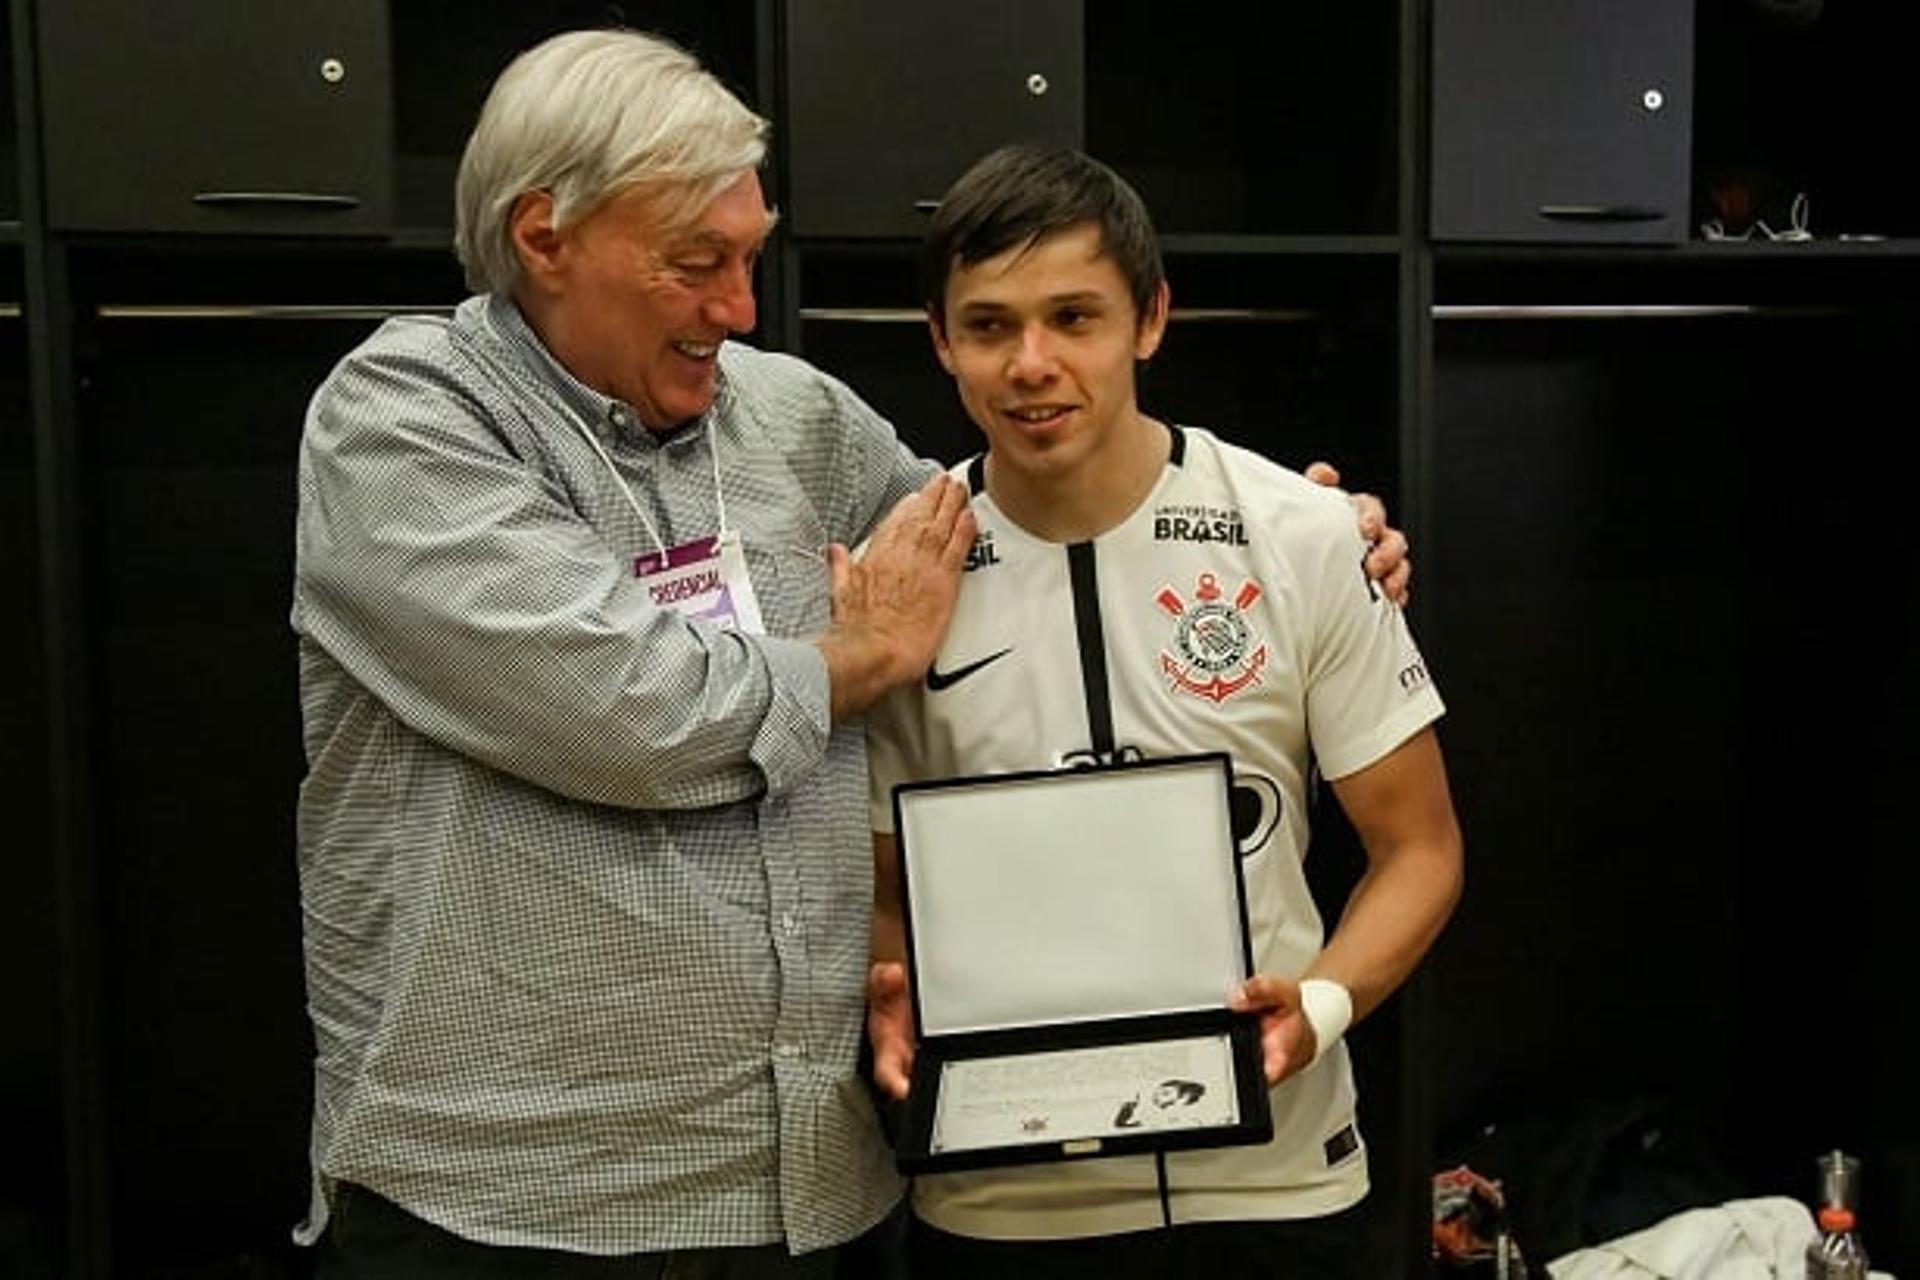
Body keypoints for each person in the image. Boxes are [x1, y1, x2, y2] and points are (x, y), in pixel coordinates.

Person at [291, 27, 1411, 1277]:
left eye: (749, 256)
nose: (739, 305)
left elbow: (1016, 536)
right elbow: (636, 709)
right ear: (545, 236)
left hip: (810, 1184)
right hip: (518, 1203)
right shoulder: (405, 417)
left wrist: (1296, 532)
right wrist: (860, 652)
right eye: (695, 262)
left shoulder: (787, 414)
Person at [864, 144, 1465, 1278]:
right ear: (941, 342)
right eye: (989, 327)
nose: (1032, 364)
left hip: (1282, 1184)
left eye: (1073, 316)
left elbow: (1420, 845)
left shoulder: (1300, 534)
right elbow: (884, 887)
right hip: (1004, 1199)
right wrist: (883, 990)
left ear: (1149, 319)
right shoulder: (906, 573)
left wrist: (1322, 1003)